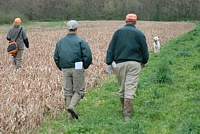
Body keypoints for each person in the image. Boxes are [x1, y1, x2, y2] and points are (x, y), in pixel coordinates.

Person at [106, 13, 149, 122]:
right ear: (135, 22)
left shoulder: (117, 32)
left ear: (126, 21)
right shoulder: (139, 33)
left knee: (122, 88)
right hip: (135, 64)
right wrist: (144, 61)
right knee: (130, 87)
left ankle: (124, 109)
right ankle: (127, 114)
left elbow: (111, 48)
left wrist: (109, 62)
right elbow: (144, 50)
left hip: (119, 64)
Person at [54, 20, 92, 120]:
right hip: (78, 67)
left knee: (68, 92)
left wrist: (61, 67)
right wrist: (84, 66)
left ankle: (69, 116)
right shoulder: (81, 41)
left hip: (65, 68)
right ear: (76, 28)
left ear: (67, 28)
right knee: (80, 91)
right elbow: (87, 55)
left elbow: (56, 57)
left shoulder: (60, 42)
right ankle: (72, 106)